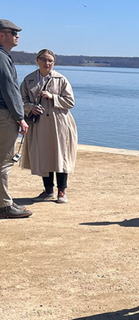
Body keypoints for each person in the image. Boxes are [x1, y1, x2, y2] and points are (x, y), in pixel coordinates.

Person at [19, 49, 77, 204]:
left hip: (59, 124)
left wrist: (53, 97)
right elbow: (20, 100)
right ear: (37, 60)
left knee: (60, 157)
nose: (47, 63)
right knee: (44, 156)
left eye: (50, 61)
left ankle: (62, 191)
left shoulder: (61, 79)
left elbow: (71, 102)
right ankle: (48, 190)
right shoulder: (29, 80)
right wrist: (30, 107)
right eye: (44, 60)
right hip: (39, 124)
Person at [0, 19, 31, 218]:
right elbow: (9, 87)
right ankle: (4, 206)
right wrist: (20, 116)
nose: (17, 36)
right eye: (13, 32)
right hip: (4, 115)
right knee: (4, 161)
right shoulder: (2, 57)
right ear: (1, 35)